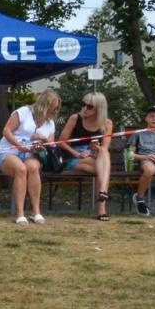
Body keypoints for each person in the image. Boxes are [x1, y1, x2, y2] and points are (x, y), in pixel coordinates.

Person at [0, 90, 61, 225]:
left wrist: (43, 140)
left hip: (32, 154)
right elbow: (6, 131)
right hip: (10, 151)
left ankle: (35, 211)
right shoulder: (23, 112)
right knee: (21, 169)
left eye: (57, 109)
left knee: (33, 167)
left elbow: (51, 144)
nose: (55, 112)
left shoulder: (50, 123)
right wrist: (19, 145)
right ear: (44, 106)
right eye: (53, 108)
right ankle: (20, 213)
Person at [60, 91, 114, 221]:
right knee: (104, 171)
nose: (85, 108)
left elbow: (105, 147)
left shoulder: (107, 123)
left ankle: (102, 194)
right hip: (76, 156)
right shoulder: (75, 118)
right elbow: (61, 142)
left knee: (104, 154)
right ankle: (102, 205)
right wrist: (77, 153)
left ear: (99, 109)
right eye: (83, 104)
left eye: (90, 107)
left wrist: (95, 149)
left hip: (97, 156)